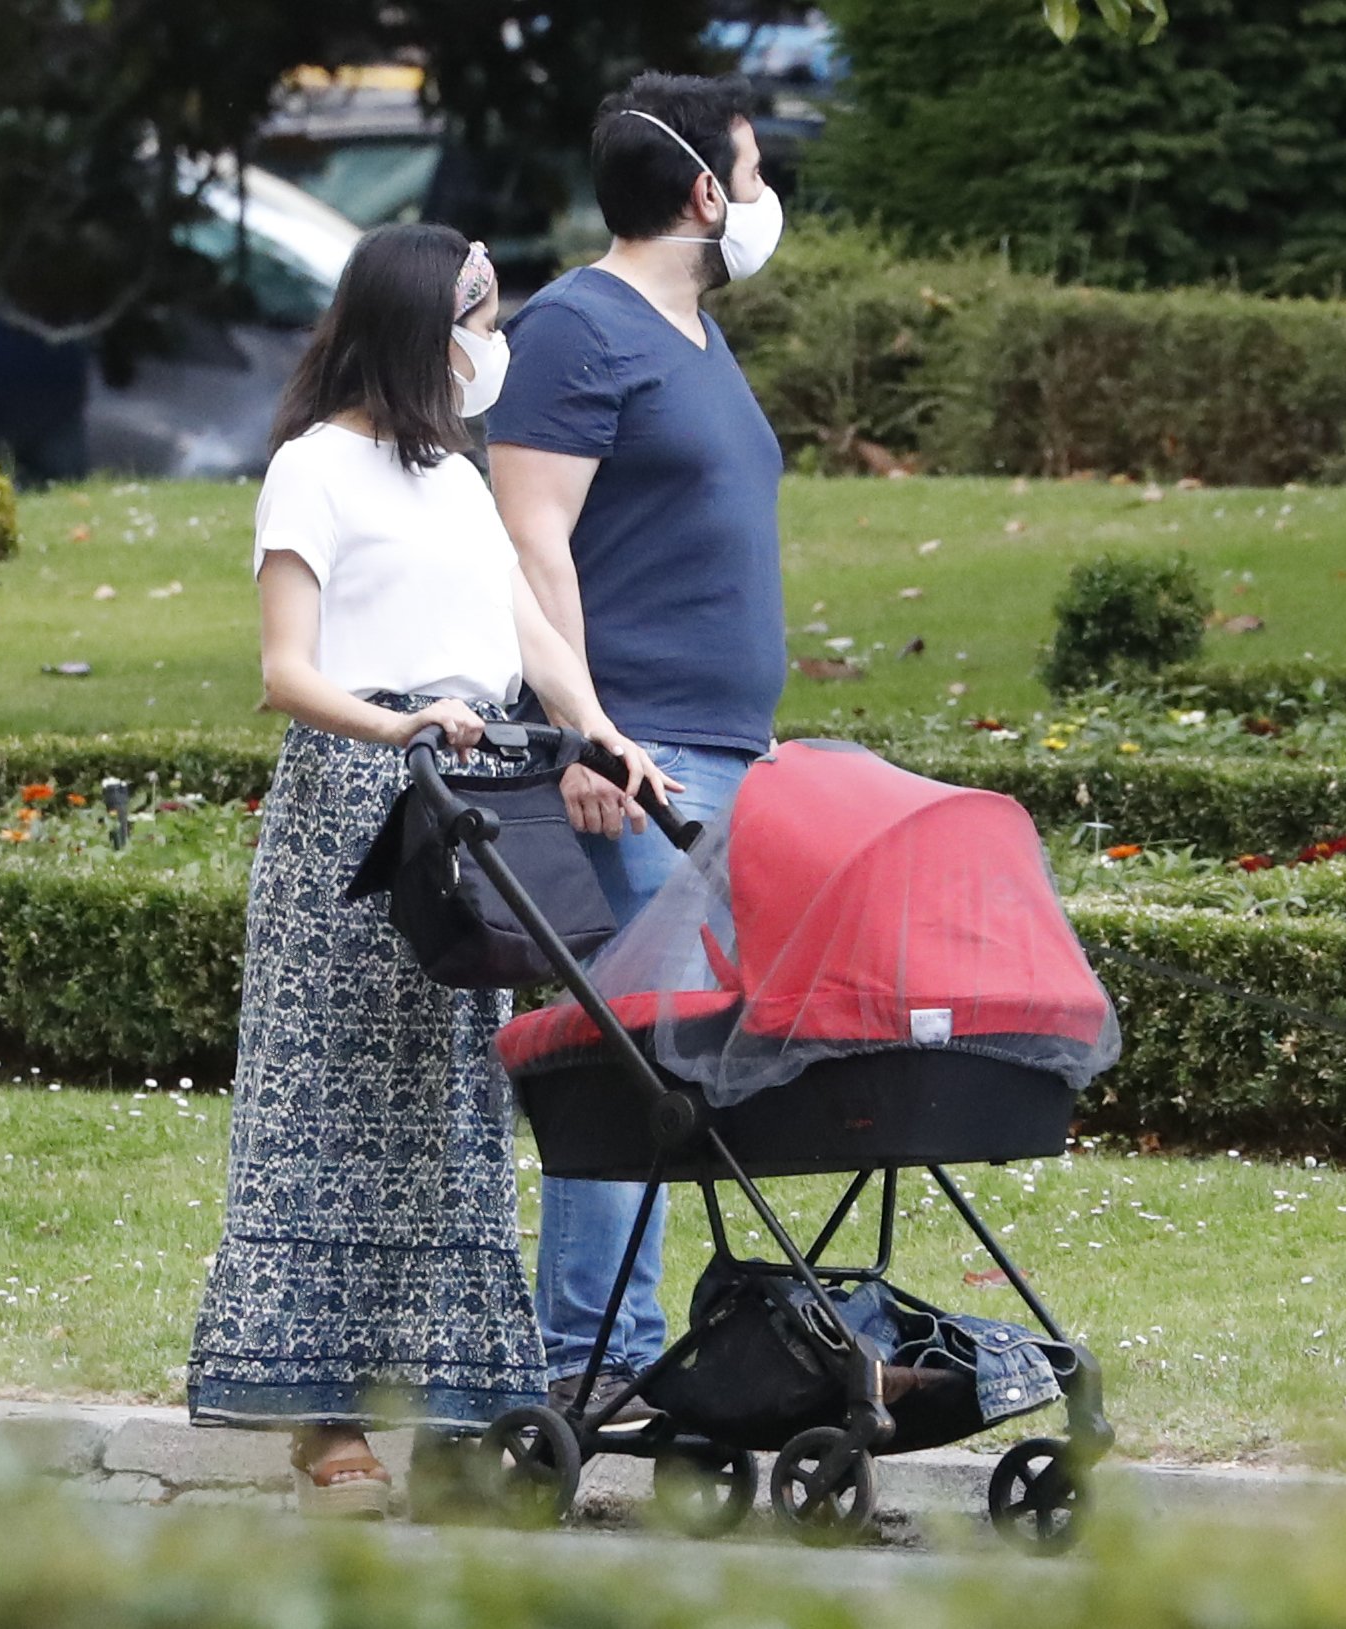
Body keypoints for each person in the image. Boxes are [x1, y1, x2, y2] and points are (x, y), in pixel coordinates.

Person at [186, 223, 671, 1516]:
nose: (494, 343)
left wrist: (605, 735)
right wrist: (397, 722)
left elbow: (530, 636)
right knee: (333, 1103)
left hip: (473, 803)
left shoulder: (454, 480)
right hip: (360, 804)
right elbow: (286, 669)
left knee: (453, 1104)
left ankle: (452, 1394)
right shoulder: (313, 471)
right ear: (418, 328)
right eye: (479, 316)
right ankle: (326, 1420)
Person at [485, 71, 787, 1428]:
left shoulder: (697, 337)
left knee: (674, 1062)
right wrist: (581, 738)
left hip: (723, 751)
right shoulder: (574, 331)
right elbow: (526, 541)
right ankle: (586, 1357)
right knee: (629, 1057)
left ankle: (638, 1350)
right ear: (705, 192)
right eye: (755, 168)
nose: (766, 195)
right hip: (634, 754)